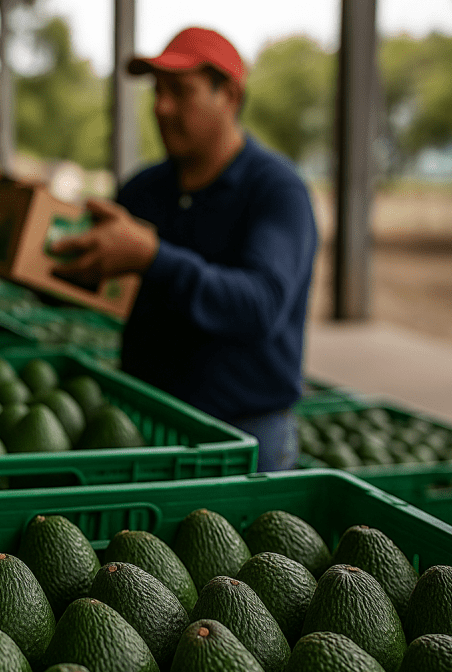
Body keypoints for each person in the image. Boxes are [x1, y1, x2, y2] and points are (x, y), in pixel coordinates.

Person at [50, 27, 319, 471]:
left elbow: (261, 304)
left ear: (229, 95)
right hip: (147, 427)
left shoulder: (276, 190)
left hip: (247, 434)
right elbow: (92, 278)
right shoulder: (143, 191)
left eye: (180, 91)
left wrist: (153, 256)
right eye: (157, 91)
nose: (161, 107)